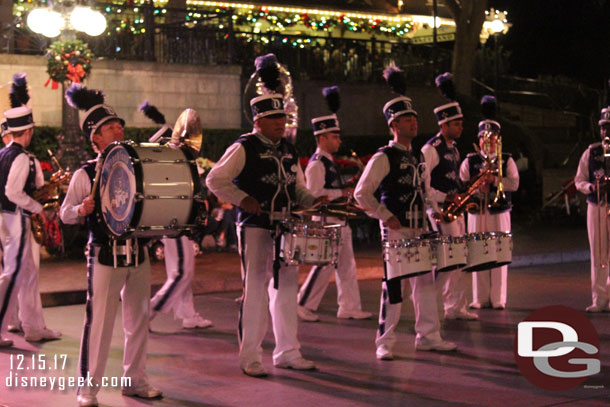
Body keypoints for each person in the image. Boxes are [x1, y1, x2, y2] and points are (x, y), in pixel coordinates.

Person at [207, 86, 324, 376]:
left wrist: (312, 201)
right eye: (273, 118)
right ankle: (250, 356)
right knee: (255, 290)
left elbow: (297, 187)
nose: (280, 123)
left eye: (282, 117)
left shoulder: (288, 150)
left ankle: (288, 351)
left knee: (286, 289)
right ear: (257, 121)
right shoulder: (244, 147)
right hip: (254, 228)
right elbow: (215, 179)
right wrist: (243, 199)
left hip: (285, 227)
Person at [61, 84, 162, 407]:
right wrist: (80, 210)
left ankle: (135, 381)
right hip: (105, 256)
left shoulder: (139, 165)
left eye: (119, 124)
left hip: (139, 254)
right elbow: (64, 214)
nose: (118, 129)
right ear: (96, 139)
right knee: (100, 324)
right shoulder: (85, 173)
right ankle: (87, 389)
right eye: (109, 127)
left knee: (138, 322)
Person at [355, 65, 456, 360]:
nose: (414, 122)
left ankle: (428, 336)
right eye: (407, 118)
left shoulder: (418, 157)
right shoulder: (383, 156)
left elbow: (423, 192)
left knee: (425, 282)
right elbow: (362, 193)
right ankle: (384, 341)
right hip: (396, 229)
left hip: (419, 227)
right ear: (394, 124)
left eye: (414, 117)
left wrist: (434, 212)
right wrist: (384, 215)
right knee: (394, 286)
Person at [297, 86, 371, 322]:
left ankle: (349, 306)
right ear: (322, 138)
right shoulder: (317, 163)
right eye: (335, 136)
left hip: (339, 218)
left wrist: (347, 186)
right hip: (328, 220)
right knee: (324, 265)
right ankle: (302, 303)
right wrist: (344, 190)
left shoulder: (328, 162)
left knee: (347, 267)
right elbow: (315, 193)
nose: (339, 140)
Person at [139, 100, 213, 330]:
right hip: (176, 224)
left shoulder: (175, 162)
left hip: (177, 223)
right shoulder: (168, 164)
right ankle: (149, 312)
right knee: (182, 273)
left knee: (182, 270)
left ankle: (187, 313)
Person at [0, 73, 61, 347]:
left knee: (26, 274)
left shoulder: (3, 154)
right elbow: (13, 192)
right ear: (28, 131)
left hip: (7, 219)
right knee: (14, 275)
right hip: (16, 219)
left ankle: (34, 328)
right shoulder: (22, 157)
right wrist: (37, 207)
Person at [422, 72, 478, 321]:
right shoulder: (430, 149)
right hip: (442, 213)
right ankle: (433, 306)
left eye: (461, 124)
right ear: (443, 125)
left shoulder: (454, 150)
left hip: (456, 210)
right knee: (446, 263)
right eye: (456, 124)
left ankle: (456, 306)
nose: (461, 128)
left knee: (459, 260)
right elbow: (422, 186)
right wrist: (442, 203)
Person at [459, 97, 519, 310]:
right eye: (484, 137)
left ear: (498, 139)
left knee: (499, 254)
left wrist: (494, 181)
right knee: (478, 253)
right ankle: (479, 297)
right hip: (477, 212)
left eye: (492, 137)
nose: (488, 141)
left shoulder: (507, 159)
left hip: (499, 211)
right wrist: (478, 185)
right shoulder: (470, 160)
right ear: (479, 140)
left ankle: (498, 298)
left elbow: (514, 183)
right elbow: (463, 185)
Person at [574, 106, 610, 312]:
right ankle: (599, 299)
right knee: (598, 253)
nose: (606, 132)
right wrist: (592, 187)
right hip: (597, 206)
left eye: (609, 128)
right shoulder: (592, 151)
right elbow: (579, 180)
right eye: (603, 128)